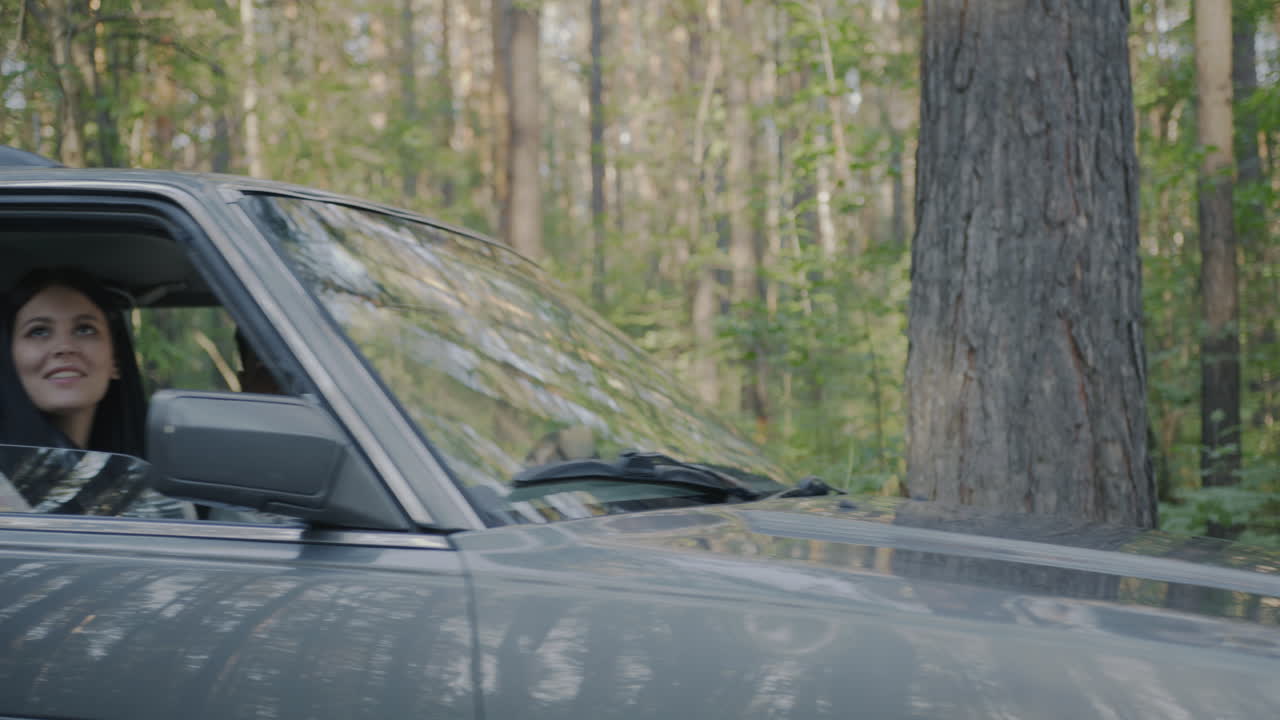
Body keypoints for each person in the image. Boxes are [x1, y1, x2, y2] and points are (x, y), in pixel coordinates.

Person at [0, 268, 183, 517]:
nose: (64, 347)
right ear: (8, 362)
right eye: (39, 331)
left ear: (116, 361)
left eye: (85, 329)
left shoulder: (152, 489)